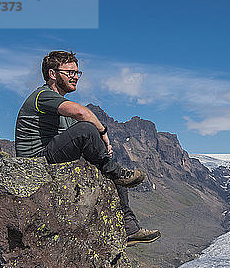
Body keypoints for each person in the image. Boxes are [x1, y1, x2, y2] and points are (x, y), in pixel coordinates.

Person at [15, 50, 160, 245]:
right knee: (86, 129)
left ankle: (130, 228)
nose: (75, 77)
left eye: (77, 73)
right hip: (35, 162)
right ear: (52, 74)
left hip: (49, 157)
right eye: (70, 72)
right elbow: (82, 114)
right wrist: (102, 133)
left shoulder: (58, 106)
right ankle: (119, 183)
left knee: (112, 171)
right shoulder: (43, 95)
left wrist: (100, 151)